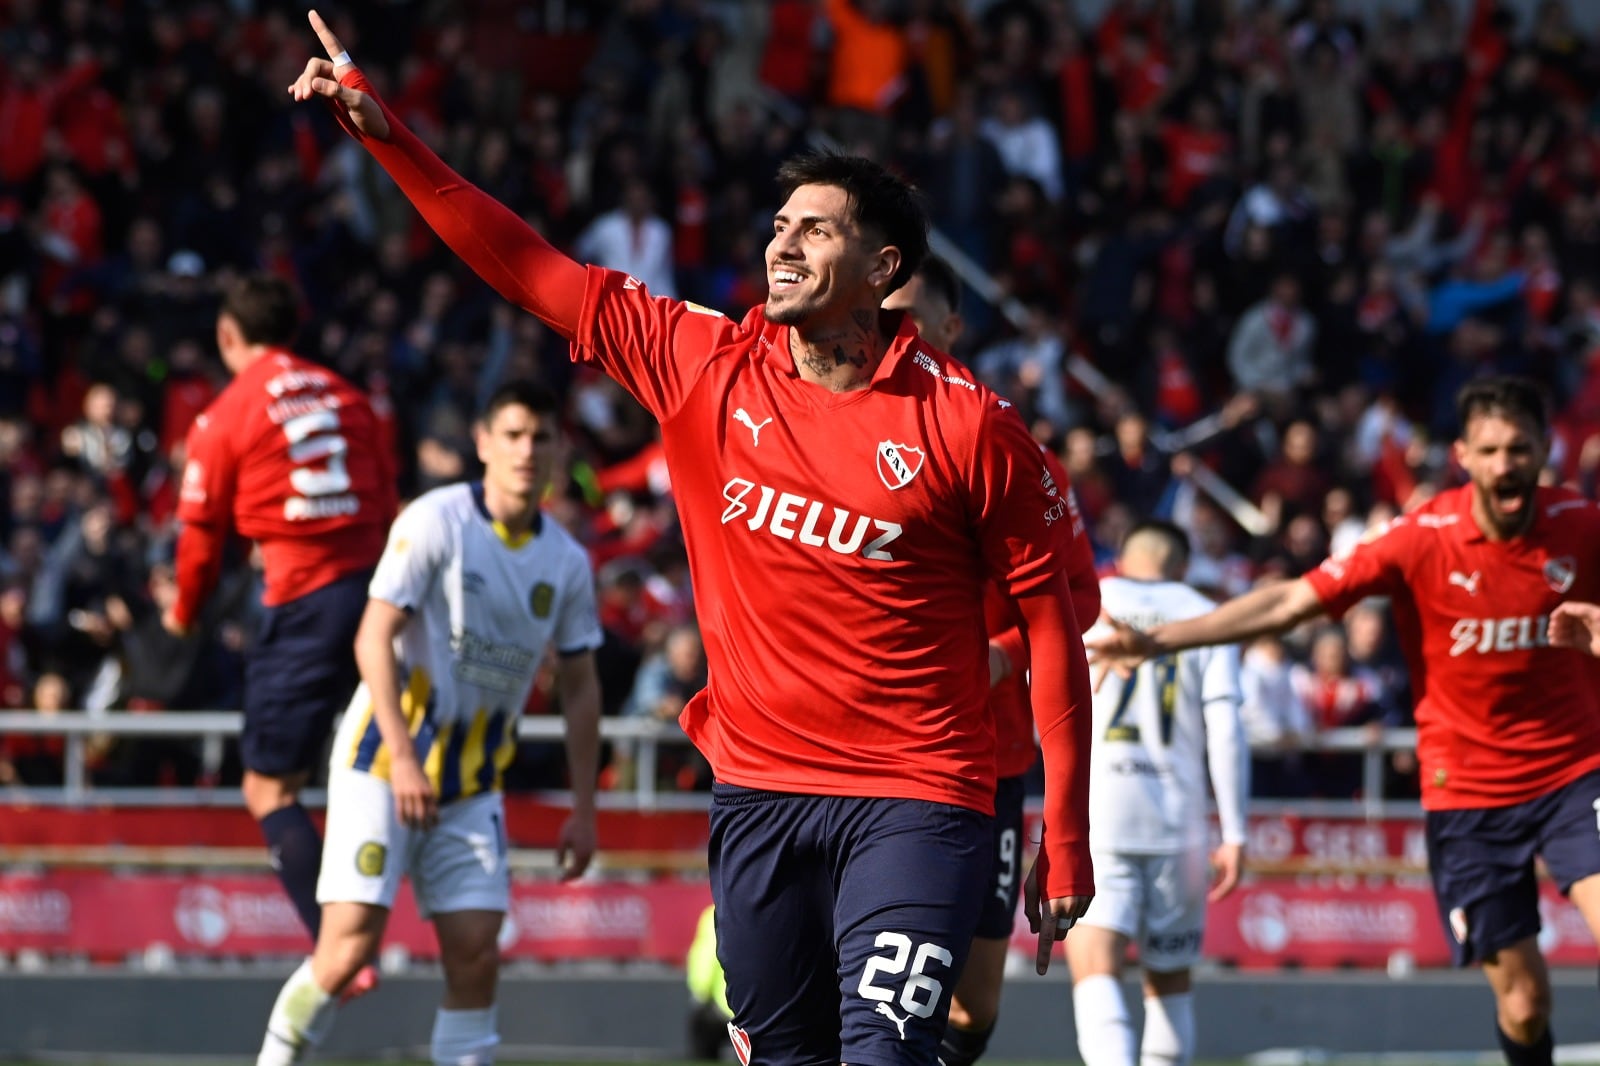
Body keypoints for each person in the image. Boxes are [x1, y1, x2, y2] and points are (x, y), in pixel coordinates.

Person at [289, 15, 1093, 1064]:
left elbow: (1050, 626)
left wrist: (1065, 836)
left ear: (882, 265)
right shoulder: (698, 360)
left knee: (892, 1052)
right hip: (757, 794)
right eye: (778, 223)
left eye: (815, 228)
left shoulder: (967, 426)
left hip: (916, 795)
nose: (781, 242)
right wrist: (387, 135)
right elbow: (526, 266)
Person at [1089, 376, 1600, 1066]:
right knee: (1523, 1003)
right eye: (1491, 450)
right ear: (1463, 455)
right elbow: (1289, 604)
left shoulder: (1581, 526)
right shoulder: (1421, 538)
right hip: (1468, 795)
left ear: (1546, 449)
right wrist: (1161, 639)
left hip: (1577, 774)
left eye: (1520, 448)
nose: (1506, 464)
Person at [255, 381, 604, 1066]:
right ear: (483, 444)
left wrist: (585, 808)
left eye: (539, 438)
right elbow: (372, 637)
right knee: (348, 945)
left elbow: (582, 687)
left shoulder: (566, 562)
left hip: (472, 786)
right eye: (511, 435)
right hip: (385, 765)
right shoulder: (435, 520)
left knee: (476, 954)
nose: (526, 451)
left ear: (559, 450)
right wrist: (406, 760)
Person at [885, 255, 1102, 1066]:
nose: (890, 329)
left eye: (908, 313)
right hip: (872, 753)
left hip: (990, 760)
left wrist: (1008, 655)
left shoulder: (1011, 446)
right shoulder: (824, 432)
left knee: (974, 1006)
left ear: (949, 327)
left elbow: (1083, 597)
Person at [166, 272, 397, 983]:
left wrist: (182, 615)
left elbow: (199, 537)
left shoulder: (224, 415)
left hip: (301, 600)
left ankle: (340, 950)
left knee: (269, 789)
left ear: (227, 337)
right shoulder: (351, 398)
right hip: (381, 595)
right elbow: (388, 492)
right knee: (359, 763)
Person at [1070, 521, 1247, 1066]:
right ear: (1180, 564)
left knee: (1094, 965)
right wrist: (1235, 831)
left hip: (1098, 814)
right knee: (1169, 980)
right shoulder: (1204, 611)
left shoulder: (1090, 604)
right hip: (1178, 823)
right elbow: (1227, 727)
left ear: (1124, 556)